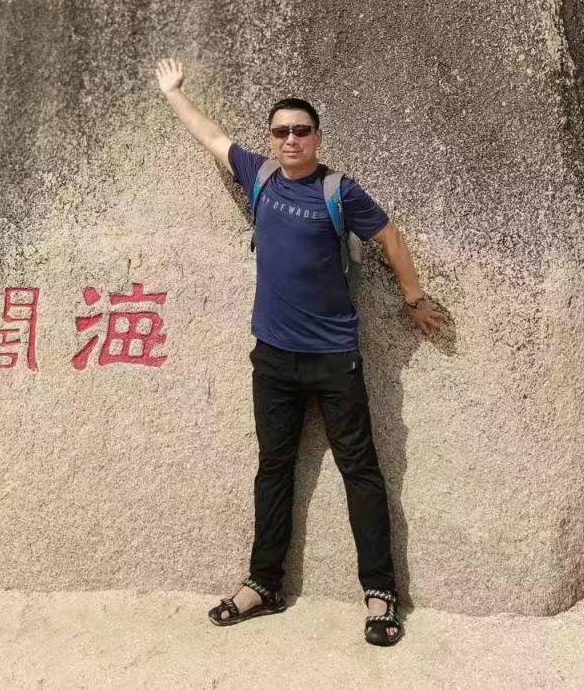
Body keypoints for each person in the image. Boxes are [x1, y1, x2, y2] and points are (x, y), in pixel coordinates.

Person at [154, 56, 439, 647]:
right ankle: (263, 583)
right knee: (274, 468)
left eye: (301, 131)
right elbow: (211, 136)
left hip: (335, 358)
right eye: (281, 131)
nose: (291, 139)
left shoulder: (339, 191)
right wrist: (174, 93)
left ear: (316, 137)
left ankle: (380, 592)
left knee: (361, 472)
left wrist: (412, 296)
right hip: (273, 358)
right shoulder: (259, 176)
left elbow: (389, 235)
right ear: (271, 138)